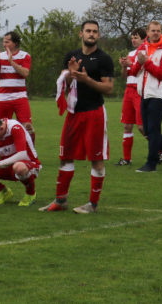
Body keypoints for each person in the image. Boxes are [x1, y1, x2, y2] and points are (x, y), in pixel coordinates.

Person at [40, 20, 114, 214]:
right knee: (65, 157)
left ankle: (93, 204)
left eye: (95, 31)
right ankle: (61, 200)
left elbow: (108, 88)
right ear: (81, 34)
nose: (91, 34)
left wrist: (87, 79)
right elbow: (63, 80)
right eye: (88, 31)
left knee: (96, 159)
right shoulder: (71, 56)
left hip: (94, 113)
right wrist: (69, 73)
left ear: (98, 35)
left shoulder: (104, 59)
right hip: (73, 113)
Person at [127, 21, 162, 173]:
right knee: (148, 130)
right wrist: (136, 63)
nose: (156, 33)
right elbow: (133, 72)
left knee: (153, 129)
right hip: (144, 93)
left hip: (158, 94)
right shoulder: (143, 48)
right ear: (147, 32)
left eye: (158, 30)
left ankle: (151, 163)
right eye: (153, 30)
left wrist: (146, 62)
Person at [0, 31, 33, 137]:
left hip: (20, 97)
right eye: (3, 42)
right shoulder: (0, 56)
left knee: (27, 127)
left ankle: (29, 148)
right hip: (3, 98)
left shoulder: (25, 56)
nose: (4, 44)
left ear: (15, 43)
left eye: (7, 42)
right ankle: (7, 148)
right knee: (1, 128)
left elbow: (25, 73)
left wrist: (11, 62)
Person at [115, 27, 146, 166]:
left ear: (143, 39)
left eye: (136, 37)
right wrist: (123, 66)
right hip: (129, 90)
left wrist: (131, 63)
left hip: (140, 91)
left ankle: (159, 150)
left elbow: (141, 70)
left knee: (141, 127)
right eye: (132, 38)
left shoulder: (145, 52)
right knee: (127, 125)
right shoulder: (130, 53)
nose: (133, 40)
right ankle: (127, 159)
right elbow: (125, 76)